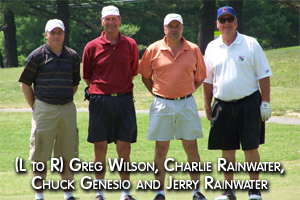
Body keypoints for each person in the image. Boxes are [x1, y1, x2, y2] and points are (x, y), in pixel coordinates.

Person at [203, 6, 272, 200]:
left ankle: (254, 190)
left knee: (250, 147)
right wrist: (208, 105)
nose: (226, 23)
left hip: (249, 102)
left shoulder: (250, 44)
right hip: (222, 104)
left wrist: (265, 102)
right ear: (217, 23)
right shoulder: (211, 47)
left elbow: (264, 75)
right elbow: (207, 80)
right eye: (222, 20)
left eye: (229, 19)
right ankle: (229, 191)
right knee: (227, 149)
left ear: (236, 21)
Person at [139, 13, 207, 200]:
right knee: (161, 149)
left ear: (182, 28)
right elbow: (145, 75)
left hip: (186, 103)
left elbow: (200, 77)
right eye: (171, 26)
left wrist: (186, 90)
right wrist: (157, 93)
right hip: (162, 103)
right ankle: (160, 192)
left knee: (191, 148)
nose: (174, 29)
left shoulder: (193, 49)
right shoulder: (153, 49)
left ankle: (196, 191)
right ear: (165, 29)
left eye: (178, 26)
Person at [19, 19, 80, 200]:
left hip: (67, 108)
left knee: (68, 153)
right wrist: (36, 106)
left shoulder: (73, 56)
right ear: (46, 35)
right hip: (44, 108)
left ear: (64, 34)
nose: (56, 36)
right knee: (40, 153)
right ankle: (39, 196)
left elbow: (75, 84)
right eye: (52, 32)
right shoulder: (37, 55)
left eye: (59, 32)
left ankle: (68, 195)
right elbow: (25, 84)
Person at [82, 5, 139, 200]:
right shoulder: (91, 46)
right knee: (100, 148)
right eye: (107, 19)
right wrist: (103, 90)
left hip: (124, 100)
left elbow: (132, 71)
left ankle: (125, 193)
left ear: (120, 21)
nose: (111, 22)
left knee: (124, 148)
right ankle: (100, 193)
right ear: (102, 22)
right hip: (100, 101)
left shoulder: (130, 44)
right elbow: (88, 76)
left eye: (114, 19)